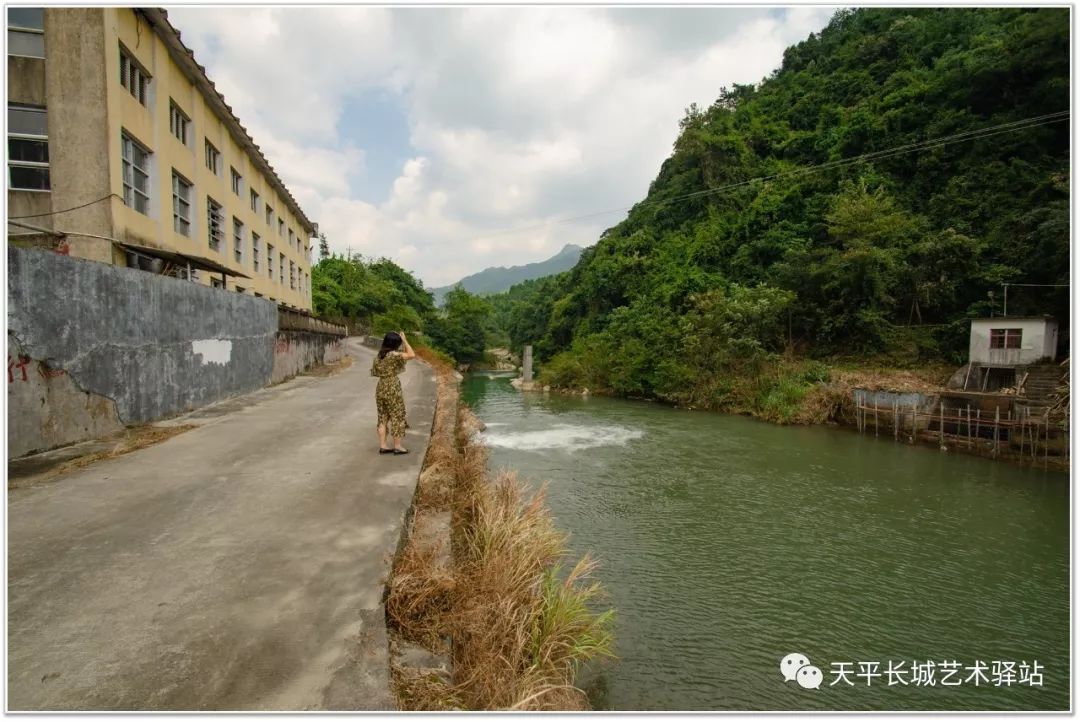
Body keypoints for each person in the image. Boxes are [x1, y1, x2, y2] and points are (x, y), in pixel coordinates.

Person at [371, 330, 416, 455]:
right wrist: (405, 340)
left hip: (381, 386)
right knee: (397, 416)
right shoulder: (394, 355)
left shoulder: (379, 356)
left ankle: (383, 446)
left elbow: (375, 372)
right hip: (392, 386)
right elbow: (412, 355)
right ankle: (398, 446)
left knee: (382, 417)